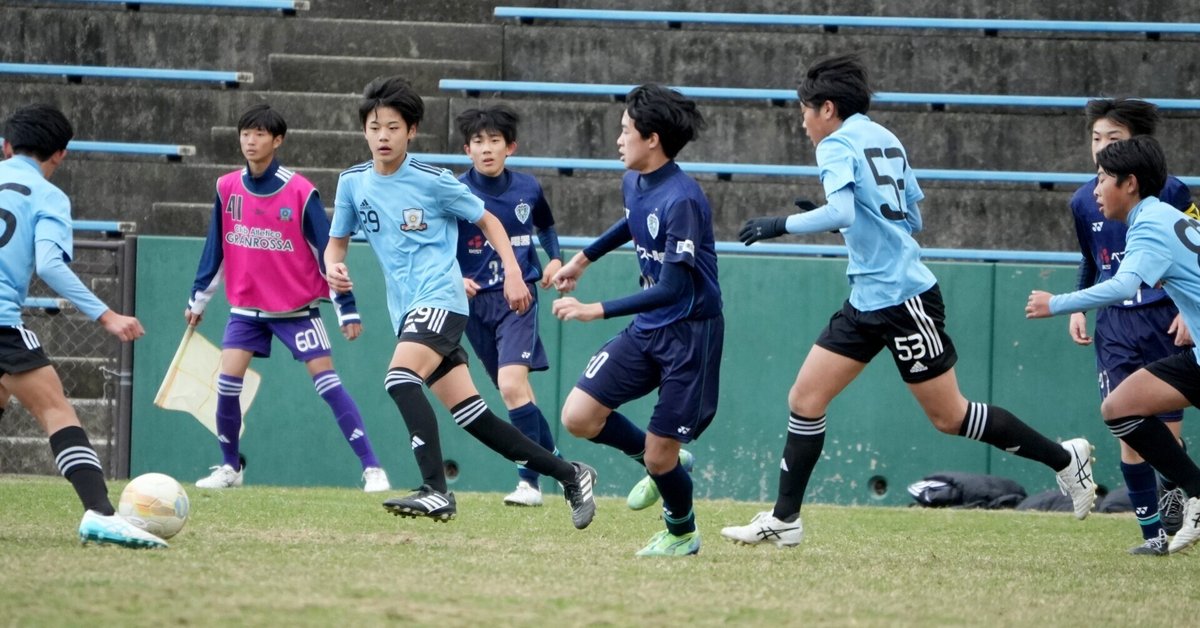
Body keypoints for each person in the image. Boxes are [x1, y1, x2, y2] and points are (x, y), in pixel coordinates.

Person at [722, 54, 1097, 548]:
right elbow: (910, 219)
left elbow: (847, 210)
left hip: (903, 300)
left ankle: (1066, 459)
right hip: (867, 298)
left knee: (950, 417)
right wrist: (842, 219)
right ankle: (785, 519)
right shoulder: (885, 138)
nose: (804, 122)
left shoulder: (835, 143)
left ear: (827, 108)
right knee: (805, 398)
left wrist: (781, 224)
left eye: (805, 111)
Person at [324, 75, 597, 528]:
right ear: (364, 131)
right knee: (474, 416)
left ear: (411, 131)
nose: (383, 136)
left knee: (399, 379)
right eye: (375, 127)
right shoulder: (352, 183)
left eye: (393, 127)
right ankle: (571, 475)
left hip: (443, 298)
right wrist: (333, 268)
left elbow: (489, 219)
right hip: (407, 309)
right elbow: (336, 245)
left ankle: (435, 491)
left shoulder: (433, 181)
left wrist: (513, 270)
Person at [551, 84, 721, 556]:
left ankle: (683, 533)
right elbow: (633, 220)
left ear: (652, 139)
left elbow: (674, 289)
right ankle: (657, 459)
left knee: (661, 455)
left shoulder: (683, 199)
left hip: (690, 334)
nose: (618, 139)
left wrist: (594, 309)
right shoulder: (635, 180)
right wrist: (584, 258)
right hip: (649, 327)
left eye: (625, 131)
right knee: (579, 416)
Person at [185, 103, 390, 493]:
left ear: (277, 141)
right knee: (227, 384)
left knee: (329, 385)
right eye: (245, 133)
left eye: (260, 134)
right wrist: (198, 302)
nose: (250, 141)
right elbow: (215, 249)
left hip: (297, 310)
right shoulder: (226, 187)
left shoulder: (300, 191)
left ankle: (372, 468)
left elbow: (328, 254)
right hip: (246, 310)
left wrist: (347, 310)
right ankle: (230, 467)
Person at [0, 103, 166, 548]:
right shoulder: (47, 195)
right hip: (1, 321)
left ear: (6, 146)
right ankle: (101, 513)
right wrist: (108, 315)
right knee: (56, 411)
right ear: (61, 155)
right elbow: (50, 265)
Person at [1026, 135, 1200, 554]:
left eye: (1103, 177)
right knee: (1119, 407)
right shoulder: (1165, 217)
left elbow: (1123, 285)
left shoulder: (1150, 223)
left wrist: (1058, 303)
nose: (1096, 187)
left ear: (1131, 183)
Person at [454, 105, 563, 507]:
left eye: (494, 141)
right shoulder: (456, 192)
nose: (486, 149)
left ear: (509, 147)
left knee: (512, 386)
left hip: (518, 299)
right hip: (473, 304)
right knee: (519, 395)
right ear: (467, 149)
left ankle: (528, 484)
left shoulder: (528, 189)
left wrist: (554, 258)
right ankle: (564, 470)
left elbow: (546, 227)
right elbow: (436, 242)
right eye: (478, 142)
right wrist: (452, 275)